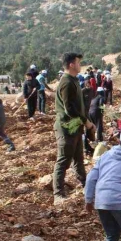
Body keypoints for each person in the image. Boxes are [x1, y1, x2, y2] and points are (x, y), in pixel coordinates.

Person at [53, 53, 93, 202]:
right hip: (66, 127)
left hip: (75, 127)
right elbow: (69, 109)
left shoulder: (74, 81)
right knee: (63, 160)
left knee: (78, 159)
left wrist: (86, 121)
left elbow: (79, 107)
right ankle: (58, 194)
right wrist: (86, 122)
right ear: (71, 64)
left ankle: (87, 186)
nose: (80, 65)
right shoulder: (66, 82)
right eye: (78, 62)